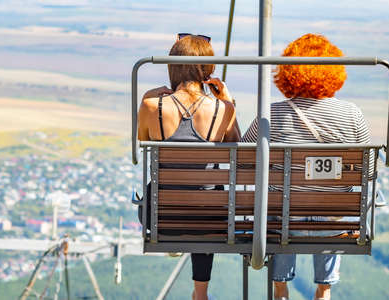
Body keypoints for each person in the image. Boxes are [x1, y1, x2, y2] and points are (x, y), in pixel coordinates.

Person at [241, 33, 371, 300]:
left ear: (288, 72)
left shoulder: (271, 114)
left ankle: (280, 287)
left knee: (276, 209)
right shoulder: (352, 114)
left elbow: (242, 161)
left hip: (285, 220)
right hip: (332, 224)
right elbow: (367, 171)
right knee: (334, 209)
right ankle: (324, 290)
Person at [138, 34, 240, 300]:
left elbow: (143, 139)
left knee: (184, 201)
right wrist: (229, 103)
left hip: (163, 217)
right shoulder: (222, 109)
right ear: (208, 70)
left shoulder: (151, 106)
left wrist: (148, 97)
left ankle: (176, 244)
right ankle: (200, 292)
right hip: (210, 219)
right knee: (206, 200)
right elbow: (237, 147)